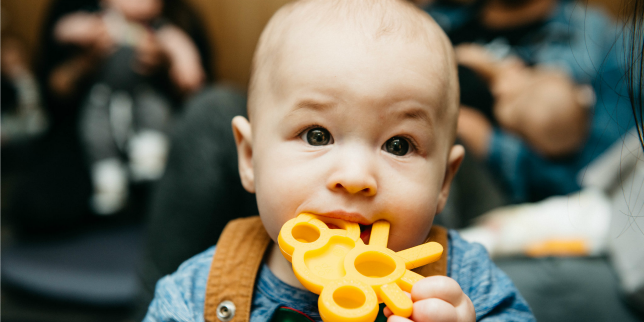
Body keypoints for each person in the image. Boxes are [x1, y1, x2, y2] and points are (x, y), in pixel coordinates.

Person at [143, 0, 534, 321]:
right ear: (249, 158)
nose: (355, 177)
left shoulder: (467, 281)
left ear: (444, 182)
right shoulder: (193, 293)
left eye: (398, 145)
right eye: (317, 135)